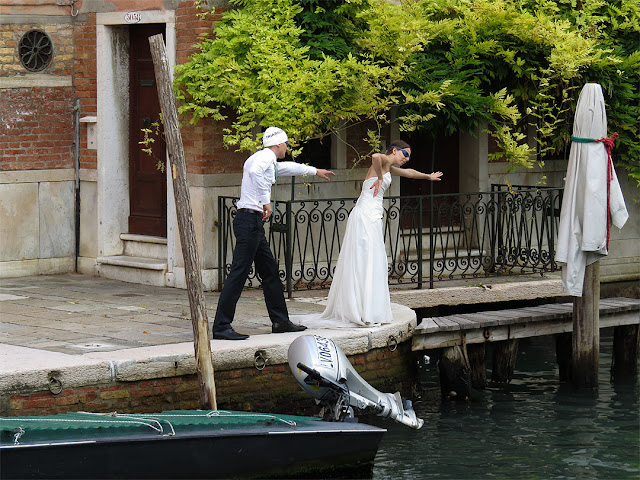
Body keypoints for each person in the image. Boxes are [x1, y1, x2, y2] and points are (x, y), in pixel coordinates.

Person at [298, 140, 442, 328]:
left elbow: (409, 173)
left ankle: (368, 307)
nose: (407, 158)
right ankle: (360, 309)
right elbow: (375, 156)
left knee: (373, 259)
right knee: (365, 257)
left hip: (373, 214)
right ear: (394, 151)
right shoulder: (383, 162)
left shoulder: (389, 167)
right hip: (366, 214)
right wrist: (380, 177)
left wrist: (427, 177)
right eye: (405, 154)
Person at [213, 127, 336, 340]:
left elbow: (287, 168)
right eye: (286, 144)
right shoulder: (263, 159)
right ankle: (221, 326)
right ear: (278, 144)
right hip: (249, 220)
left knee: (269, 271)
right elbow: (255, 174)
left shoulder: (264, 159)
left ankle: (280, 321)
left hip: (251, 222)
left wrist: (315, 171)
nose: (287, 148)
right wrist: (265, 201)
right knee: (239, 272)